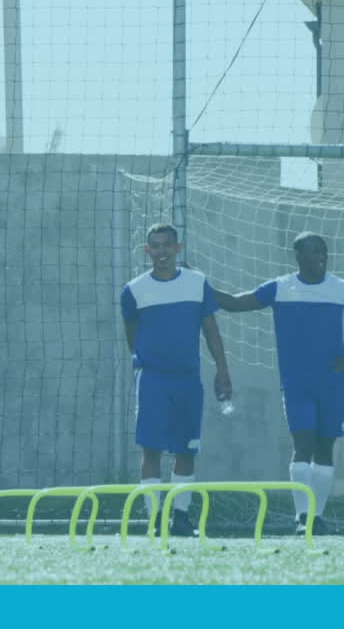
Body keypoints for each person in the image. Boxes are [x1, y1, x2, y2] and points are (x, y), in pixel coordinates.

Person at [213, 231, 344, 534]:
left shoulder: (340, 288)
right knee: (302, 444)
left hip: (332, 381)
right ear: (299, 256)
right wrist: (202, 286)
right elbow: (235, 303)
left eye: (323, 251)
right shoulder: (281, 288)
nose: (321, 257)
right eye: (315, 251)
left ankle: (317, 517)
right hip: (297, 382)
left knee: (325, 447)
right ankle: (302, 517)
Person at [121, 223, 233, 537]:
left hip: (188, 380)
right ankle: (154, 520)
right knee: (151, 449)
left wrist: (223, 371)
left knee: (186, 450)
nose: (162, 252)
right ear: (148, 251)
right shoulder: (134, 290)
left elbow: (211, 330)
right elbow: (132, 334)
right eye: (155, 246)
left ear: (178, 248)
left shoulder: (197, 283)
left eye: (167, 245)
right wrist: (145, 361)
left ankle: (180, 518)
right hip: (153, 380)